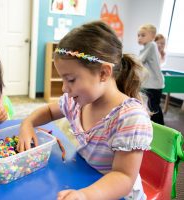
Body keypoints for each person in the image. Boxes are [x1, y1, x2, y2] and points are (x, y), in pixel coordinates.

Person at [17, 21, 153, 200]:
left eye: (71, 80)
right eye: (63, 80)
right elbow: (49, 112)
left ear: (104, 73)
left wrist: (85, 195)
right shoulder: (77, 101)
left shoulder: (130, 118)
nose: (65, 88)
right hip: (85, 178)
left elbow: (123, 177)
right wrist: (27, 124)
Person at [138, 24, 165, 125]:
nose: (139, 37)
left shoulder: (151, 45)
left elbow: (139, 61)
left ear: (152, 36)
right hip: (152, 84)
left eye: (143, 35)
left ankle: (160, 127)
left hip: (154, 85)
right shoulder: (148, 47)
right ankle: (156, 125)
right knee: (152, 106)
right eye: (138, 35)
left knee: (153, 107)